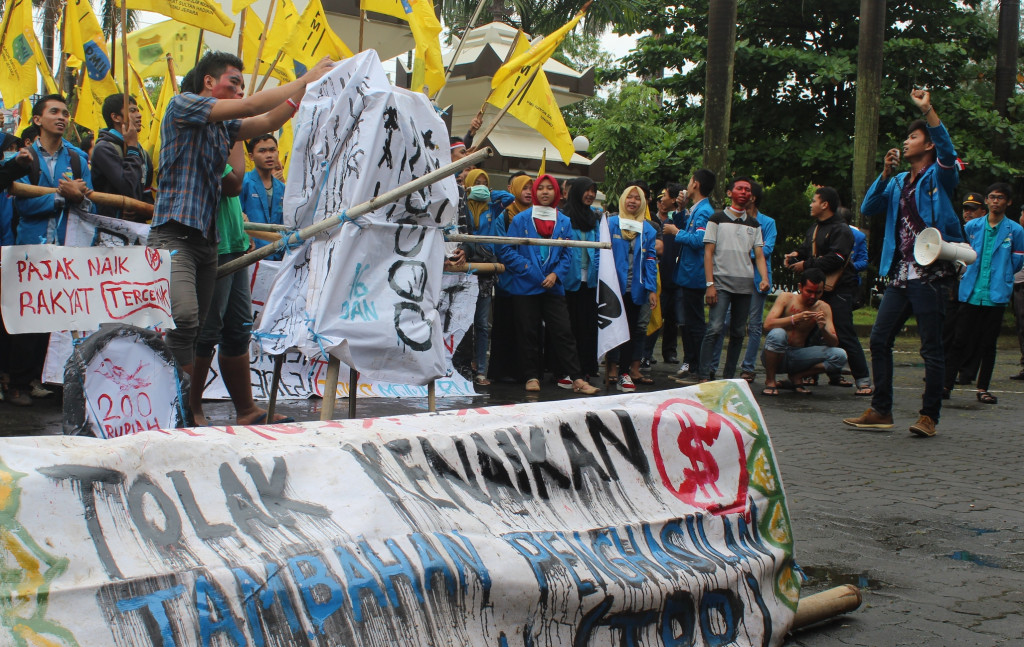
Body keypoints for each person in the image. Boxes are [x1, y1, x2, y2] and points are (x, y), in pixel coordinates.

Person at [147, 51, 332, 379]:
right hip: (174, 235)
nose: (240, 91)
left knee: (198, 329)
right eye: (234, 83)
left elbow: (266, 122)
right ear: (208, 81)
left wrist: (305, 89)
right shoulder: (182, 104)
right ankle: (166, 396)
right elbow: (251, 108)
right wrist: (304, 79)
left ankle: (186, 410)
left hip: (207, 242)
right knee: (185, 319)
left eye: (243, 85)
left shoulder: (223, 127)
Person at [844, 90, 961, 437]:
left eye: (913, 136)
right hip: (901, 274)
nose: (906, 142)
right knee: (879, 339)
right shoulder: (897, 181)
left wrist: (928, 112)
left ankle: (929, 416)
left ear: (928, 145)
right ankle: (881, 410)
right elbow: (869, 207)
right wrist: (884, 172)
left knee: (931, 347)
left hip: (933, 273)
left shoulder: (939, 176)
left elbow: (949, 153)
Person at [496, 174, 600, 394]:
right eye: (540, 188)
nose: (544, 192)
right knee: (528, 331)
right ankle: (531, 376)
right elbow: (505, 250)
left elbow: (567, 252)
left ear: (557, 193)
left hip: (553, 285)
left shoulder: (564, 221)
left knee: (563, 331)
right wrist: (529, 270)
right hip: (526, 286)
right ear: (535, 192)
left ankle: (577, 379)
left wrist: (555, 275)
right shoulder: (521, 219)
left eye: (549, 188)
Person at [785, 187, 871, 395]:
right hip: (817, 289)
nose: (811, 204)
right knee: (809, 330)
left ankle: (863, 380)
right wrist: (796, 254)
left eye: (814, 201)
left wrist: (805, 265)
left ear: (825, 205)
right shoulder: (815, 228)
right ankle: (801, 376)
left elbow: (837, 258)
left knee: (843, 330)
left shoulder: (842, 230)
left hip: (839, 288)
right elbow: (808, 249)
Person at [943, 184, 1024, 404]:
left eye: (1000, 198)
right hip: (971, 291)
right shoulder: (973, 226)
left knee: (988, 343)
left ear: (1008, 202)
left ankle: (982, 387)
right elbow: (964, 253)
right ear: (986, 201)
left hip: (995, 293)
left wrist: (1004, 276)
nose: (995, 201)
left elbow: (1017, 262)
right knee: (959, 339)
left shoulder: (1015, 230)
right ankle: (946, 384)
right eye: (992, 197)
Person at [697, 176, 769, 382]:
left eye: (748, 190)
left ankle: (729, 377)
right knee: (715, 328)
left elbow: (760, 255)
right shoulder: (716, 219)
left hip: (745, 284)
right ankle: (703, 374)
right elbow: (708, 253)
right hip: (720, 282)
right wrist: (710, 284)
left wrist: (763, 278)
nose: (744, 192)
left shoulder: (754, 225)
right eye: (740, 188)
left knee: (738, 331)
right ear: (730, 193)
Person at [454, 169, 512, 385]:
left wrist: (489, 192)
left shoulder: (492, 206)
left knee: (481, 323)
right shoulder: (462, 206)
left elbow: (510, 198)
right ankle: (463, 365)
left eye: (483, 183)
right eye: (475, 183)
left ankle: (480, 369)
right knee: (464, 321)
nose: (479, 186)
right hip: (465, 267)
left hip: (487, 268)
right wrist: (467, 193)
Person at [13, 94, 92, 246]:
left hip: (69, 251)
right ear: (37, 120)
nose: (61, 118)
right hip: (31, 251)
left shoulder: (78, 162)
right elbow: (24, 206)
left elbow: (92, 206)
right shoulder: (22, 160)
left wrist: (80, 198)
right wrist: (63, 196)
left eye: (65, 114)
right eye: (54, 112)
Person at [663, 169, 716, 378]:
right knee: (689, 322)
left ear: (696, 184)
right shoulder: (697, 209)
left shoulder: (704, 212)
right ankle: (693, 364)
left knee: (694, 323)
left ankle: (699, 368)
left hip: (694, 274)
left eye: (690, 179)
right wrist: (681, 209)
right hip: (687, 273)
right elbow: (689, 229)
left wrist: (676, 233)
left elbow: (699, 241)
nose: (688, 182)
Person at [761, 269, 846, 395]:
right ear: (800, 287)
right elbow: (767, 324)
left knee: (840, 355)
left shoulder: (823, 307)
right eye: (809, 291)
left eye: (818, 292)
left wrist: (823, 329)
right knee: (778, 334)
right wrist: (794, 319)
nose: (813, 297)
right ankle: (770, 380)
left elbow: (834, 342)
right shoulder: (787, 298)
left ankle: (797, 376)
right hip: (776, 353)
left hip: (798, 356)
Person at [606, 185, 658, 391]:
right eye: (630, 197)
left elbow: (651, 261)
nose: (633, 201)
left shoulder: (649, 230)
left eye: (638, 198)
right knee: (612, 329)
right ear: (623, 200)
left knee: (630, 331)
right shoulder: (610, 224)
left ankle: (624, 372)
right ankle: (610, 367)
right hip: (613, 287)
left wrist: (651, 289)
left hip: (635, 289)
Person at [487, 173, 533, 383]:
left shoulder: (537, 216)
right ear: (514, 189)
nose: (528, 192)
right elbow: (500, 246)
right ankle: (501, 371)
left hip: (530, 280)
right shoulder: (503, 216)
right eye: (524, 187)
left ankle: (525, 372)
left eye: (531, 187)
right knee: (504, 325)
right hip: (509, 280)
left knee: (526, 327)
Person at [942, 192, 988, 385]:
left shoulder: (986, 232)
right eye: (965, 209)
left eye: (973, 209)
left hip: (976, 287)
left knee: (973, 331)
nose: (968, 213)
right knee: (949, 328)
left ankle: (967, 371)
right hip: (956, 285)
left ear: (983, 212)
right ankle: (943, 369)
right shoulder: (958, 231)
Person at [562, 177, 602, 381]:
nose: (591, 195)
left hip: (591, 281)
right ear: (577, 192)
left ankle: (586, 367)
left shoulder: (594, 218)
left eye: (593, 191)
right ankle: (568, 370)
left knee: (588, 327)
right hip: (569, 280)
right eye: (587, 190)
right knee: (570, 326)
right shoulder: (564, 217)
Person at [90, 94, 154, 219]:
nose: (139, 115)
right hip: (110, 228)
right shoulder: (104, 149)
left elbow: (146, 193)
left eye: (138, 110)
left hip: (136, 230)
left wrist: (140, 210)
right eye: (132, 110)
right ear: (115, 117)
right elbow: (127, 186)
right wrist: (132, 148)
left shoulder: (143, 154)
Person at [647, 183, 685, 365]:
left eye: (665, 196)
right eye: (660, 197)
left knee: (673, 317)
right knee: (654, 314)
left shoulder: (679, 220)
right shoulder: (652, 219)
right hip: (657, 274)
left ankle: (669, 352)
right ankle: (647, 353)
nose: (661, 200)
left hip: (675, 274)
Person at [240, 134, 286, 260]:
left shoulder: (282, 188)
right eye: (262, 151)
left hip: (278, 255)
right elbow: (238, 218)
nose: (269, 155)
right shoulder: (244, 183)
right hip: (251, 255)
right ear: (251, 156)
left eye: (272, 150)